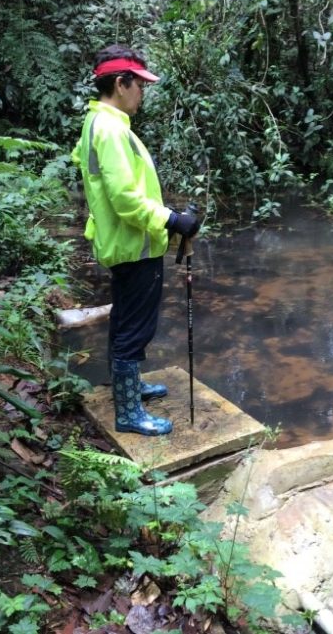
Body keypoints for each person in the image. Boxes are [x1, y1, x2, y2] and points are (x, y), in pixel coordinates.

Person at [72, 44, 200, 436]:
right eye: (139, 85)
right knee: (134, 329)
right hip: (133, 245)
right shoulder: (110, 129)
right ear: (120, 83)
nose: (143, 92)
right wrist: (173, 219)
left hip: (124, 242)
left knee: (125, 320)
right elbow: (125, 199)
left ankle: (129, 390)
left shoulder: (101, 123)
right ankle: (128, 413)